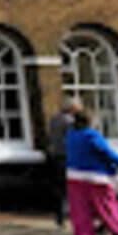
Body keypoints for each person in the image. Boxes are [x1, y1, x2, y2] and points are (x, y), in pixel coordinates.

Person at [66, 109, 118, 235]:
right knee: (107, 209)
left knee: (80, 211)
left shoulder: (71, 135)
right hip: (97, 178)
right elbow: (109, 154)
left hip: (74, 177)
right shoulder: (92, 136)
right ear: (90, 121)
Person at [48, 97, 80, 226]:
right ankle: (73, 213)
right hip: (67, 156)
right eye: (78, 106)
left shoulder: (54, 119)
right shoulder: (70, 121)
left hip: (55, 155)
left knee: (58, 187)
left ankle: (59, 215)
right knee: (71, 187)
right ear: (72, 108)